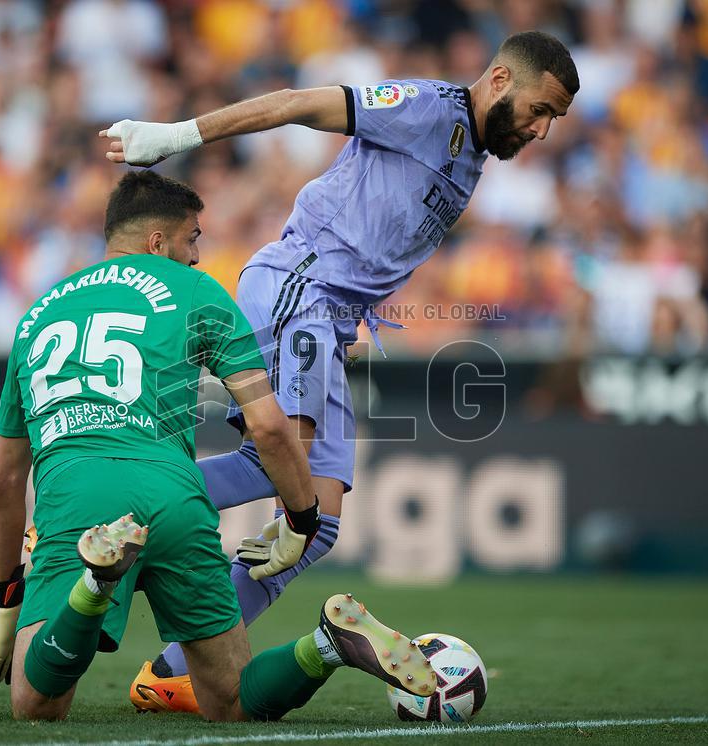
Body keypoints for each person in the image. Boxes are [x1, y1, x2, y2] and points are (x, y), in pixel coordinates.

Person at [100, 30, 578, 712]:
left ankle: (171, 670)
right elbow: (296, 102)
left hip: (331, 317)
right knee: (281, 463)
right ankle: (112, 509)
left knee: (314, 525)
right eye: (541, 109)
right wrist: (175, 134)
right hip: (301, 286)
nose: (542, 128)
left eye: (554, 119)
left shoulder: (472, 155)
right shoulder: (426, 107)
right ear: (500, 79)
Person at [0, 171, 435, 721]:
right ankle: (325, 647)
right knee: (232, 701)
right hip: (177, 499)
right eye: (193, 238)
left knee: (36, 705)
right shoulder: (199, 291)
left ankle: (94, 585)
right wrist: (301, 518)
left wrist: (8, 594)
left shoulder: (37, 314)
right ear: (158, 242)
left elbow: (3, 482)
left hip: (79, 498)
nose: (198, 254)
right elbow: (270, 428)